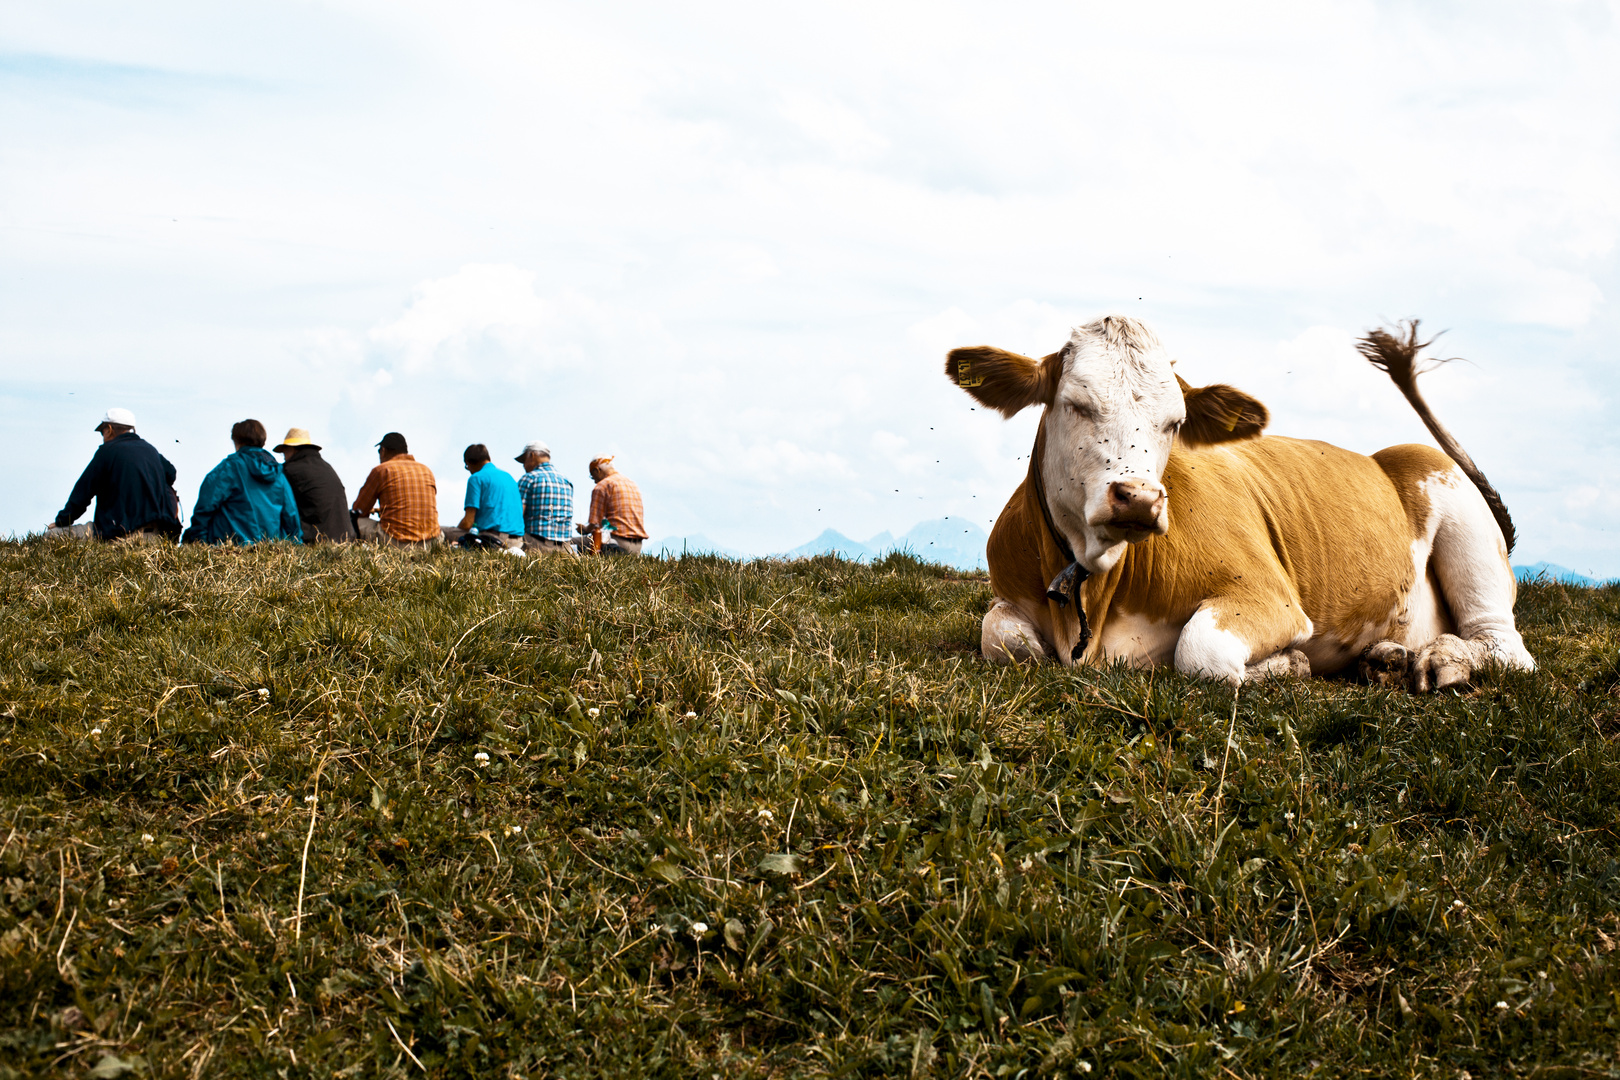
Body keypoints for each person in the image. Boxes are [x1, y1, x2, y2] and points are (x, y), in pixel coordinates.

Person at [48, 408, 182, 542]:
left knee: (51, 536)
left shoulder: (106, 452)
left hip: (117, 534)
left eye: (102, 431)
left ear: (109, 429)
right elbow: (171, 473)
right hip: (155, 536)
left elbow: (82, 495)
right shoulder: (151, 450)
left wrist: (62, 521)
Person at [181, 419, 302, 545]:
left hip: (231, 550)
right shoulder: (278, 475)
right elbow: (291, 517)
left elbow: (205, 507)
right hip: (269, 552)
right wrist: (293, 546)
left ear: (236, 440)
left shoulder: (228, 468)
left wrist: (200, 541)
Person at [352, 432, 440, 546]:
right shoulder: (426, 470)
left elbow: (359, 510)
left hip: (397, 541)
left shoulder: (382, 470)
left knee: (352, 522)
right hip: (431, 542)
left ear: (383, 450)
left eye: (379, 451)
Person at [274, 428, 355, 543]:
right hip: (344, 537)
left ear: (293, 449)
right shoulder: (326, 466)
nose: (283, 456)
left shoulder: (291, 470)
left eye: (285, 451)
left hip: (318, 539)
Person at [442, 444, 524, 551]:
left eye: (467, 467)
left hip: (491, 540)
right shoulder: (509, 477)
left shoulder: (476, 478)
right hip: (518, 542)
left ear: (469, 463)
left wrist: (457, 530)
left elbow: (468, 522)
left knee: (439, 532)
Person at [574, 455, 647, 555]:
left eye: (592, 476)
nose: (594, 481)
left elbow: (594, 523)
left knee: (566, 544)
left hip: (617, 544)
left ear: (597, 470)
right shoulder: (632, 484)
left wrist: (584, 529)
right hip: (637, 546)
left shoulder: (602, 486)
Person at [514, 440, 574, 554]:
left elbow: (516, 515)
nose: (523, 465)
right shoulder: (566, 481)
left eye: (524, 460)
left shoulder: (529, 478)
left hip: (536, 545)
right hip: (565, 548)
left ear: (532, 455)